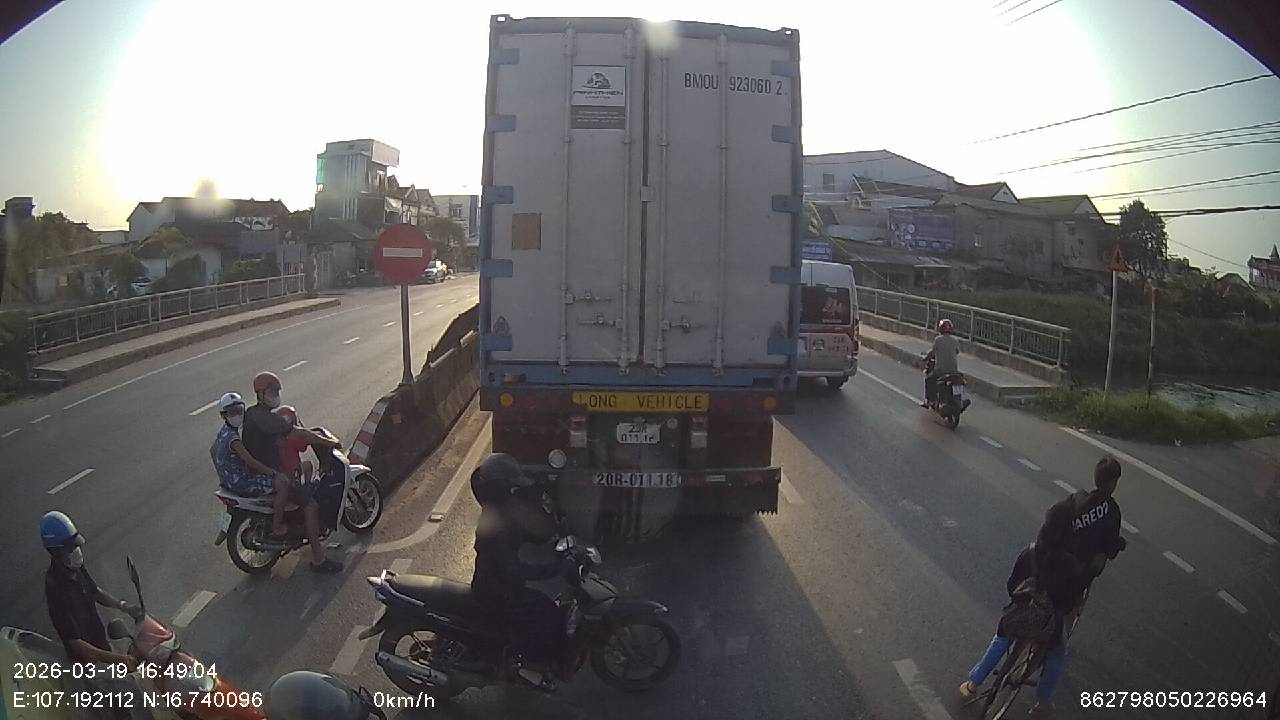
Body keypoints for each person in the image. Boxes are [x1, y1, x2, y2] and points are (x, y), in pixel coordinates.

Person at [959, 456, 1127, 717]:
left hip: (1034, 584)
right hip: (1065, 593)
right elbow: (1108, 549)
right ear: (1114, 483)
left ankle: (973, 683)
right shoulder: (1111, 513)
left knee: (1007, 630)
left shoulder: (1067, 506)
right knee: (1058, 649)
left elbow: (1039, 545)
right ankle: (1042, 703)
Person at [213, 389, 341, 573]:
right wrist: (328, 442)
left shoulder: (249, 417)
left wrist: (225, 474)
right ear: (261, 394)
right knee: (311, 506)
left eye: (238, 410)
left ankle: (288, 523)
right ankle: (318, 559)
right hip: (256, 476)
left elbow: (213, 451)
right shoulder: (265, 421)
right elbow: (301, 434)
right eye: (272, 391)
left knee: (302, 471)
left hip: (237, 480)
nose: (276, 395)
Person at [469, 453, 564, 689]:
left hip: (498, 584)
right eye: (511, 486)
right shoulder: (496, 522)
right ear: (501, 487)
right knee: (545, 614)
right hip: (497, 590)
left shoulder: (498, 509)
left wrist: (548, 536)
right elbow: (513, 571)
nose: (514, 489)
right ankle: (528, 668)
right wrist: (554, 569)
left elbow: (524, 532)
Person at [41, 511, 139, 666]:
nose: (76, 551)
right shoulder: (55, 589)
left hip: (102, 646)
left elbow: (95, 592)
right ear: (56, 551)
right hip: (88, 666)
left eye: (76, 545)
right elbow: (77, 645)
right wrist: (119, 659)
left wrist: (124, 607)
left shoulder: (74, 567)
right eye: (71, 547)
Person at [921, 318, 960, 407]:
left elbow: (932, 353)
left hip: (940, 370)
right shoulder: (955, 340)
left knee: (928, 379)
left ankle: (930, 401)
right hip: (953, 371)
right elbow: (957, 352)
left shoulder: (938, 339)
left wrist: (925, 358)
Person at [273, 405, 314, 484]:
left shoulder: (276, 436)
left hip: (280, 470)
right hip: (293, 470)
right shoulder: (291, 437)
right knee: (308, 465)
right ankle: (307, 485)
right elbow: (303, 448)